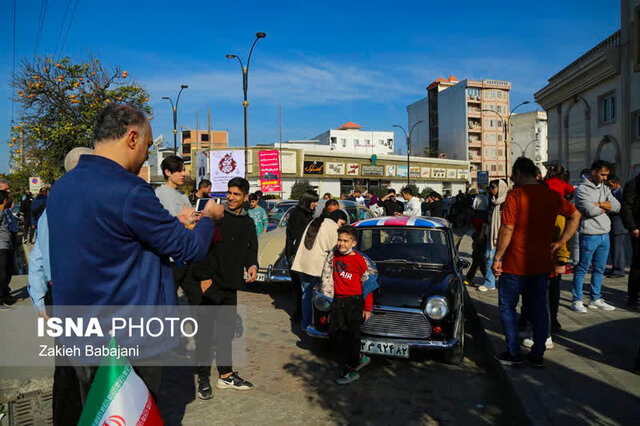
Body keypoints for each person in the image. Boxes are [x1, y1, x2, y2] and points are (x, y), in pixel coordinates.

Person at [46, 105, 224, 421]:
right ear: (132, 137)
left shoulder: (62, 187)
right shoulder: (129, 190)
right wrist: (208, 217)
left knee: (99, 414)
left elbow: (111, 243)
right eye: (147, 145)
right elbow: (189, 249)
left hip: (80, 336)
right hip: (131, 343)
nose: (146, 156)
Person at [492, 157, 580, 367]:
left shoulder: (516, 195)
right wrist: (561, 241)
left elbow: (508, 228)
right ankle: (537, 354)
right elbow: (575, 215)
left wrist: (497, 258)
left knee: (508, 307)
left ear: (519, 174)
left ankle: (513, 352)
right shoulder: (552, 196)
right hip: (541, 264)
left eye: (514, 177)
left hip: (515, 263)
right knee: (540, 308)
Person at [192, 177, 258, 400]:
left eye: (236, 194)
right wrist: (203, 277)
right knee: (205, 334)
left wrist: (252, 264)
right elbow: (200, 245)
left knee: (226, 333)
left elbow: (251, 247)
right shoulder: (216, 217)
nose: (230, 197)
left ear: (245, 197)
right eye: (229, 192)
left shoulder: (248, 222)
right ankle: (202, 377)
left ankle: (226, 375)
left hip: (231, 285)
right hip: (211, 283)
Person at [326, 225, 375, 384]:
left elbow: (368, 284)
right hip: (338, 301)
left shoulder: (360, 260)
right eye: (339, 240)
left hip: (354, 302)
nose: (341, 244)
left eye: (346, 241)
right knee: (334, 332)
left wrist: (367, 308)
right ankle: (359, 357)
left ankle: (351, 370)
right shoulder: (333, 256)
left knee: (352, 337)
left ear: (353, 243)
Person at [571, 160, 620, 313]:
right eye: (603, 174)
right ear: (593, 172)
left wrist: (599, 204)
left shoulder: (605, 188)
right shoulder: (581, 190)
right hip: (589, 234)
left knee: (599, 269)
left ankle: (595, 298)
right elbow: (589, 210)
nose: (605, 178)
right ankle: (577, 300)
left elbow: (617, 206)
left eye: (606, 175)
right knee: (582, 268)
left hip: (604, 234)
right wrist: (604, 205)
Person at [291, 209, 348, 330]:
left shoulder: (316, 221)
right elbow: (335, 248)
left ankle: (305, 323)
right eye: (342, 223)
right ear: (337, 219)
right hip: (317, 267)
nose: (341, 227)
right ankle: (315, 324)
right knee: (319, 299)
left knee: (306, 295)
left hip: (302, 264)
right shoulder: (332, 226)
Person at [285, 190, 319, 320]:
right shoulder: (298, 214)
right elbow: (296, 237)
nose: (315, 204)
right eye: (314, 201)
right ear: (307, 201)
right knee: (299, 286)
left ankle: (302, 313)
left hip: (302, 254)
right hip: (297, 255)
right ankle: (299, 313)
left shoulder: (306, 213)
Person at [478, 180, 508, 292]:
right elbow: (487, 219)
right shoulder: (492, 201)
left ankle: (496, 283)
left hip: (503, 236)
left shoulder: (507, 202)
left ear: (501, 188)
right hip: (491, 235)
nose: (492, 190)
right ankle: (490, 282)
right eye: (491, 187)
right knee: (489, 257)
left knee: (498, 259)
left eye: (493, 187)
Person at [621, 172, 640, 310]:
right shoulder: (633, 185)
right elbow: (626, 207)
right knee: (638, 265)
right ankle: (633, 298)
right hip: (638, 230)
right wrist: (632, 227)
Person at [606, 175, 626, 278]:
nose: (609, 187)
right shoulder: (612, 193)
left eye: (611, 185)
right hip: (613, 224)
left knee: (618, 249)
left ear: (616, 183)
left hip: (619, 224)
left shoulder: (621, 193)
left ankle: (619, 270)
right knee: (614, 248)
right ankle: (615, 268)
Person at [0, 190, 15, 307]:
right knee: (3, 273)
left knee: (6, 271)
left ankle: (5, 295)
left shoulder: (3, 212)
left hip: (5, 245)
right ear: (4, 200)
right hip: (1, 247)